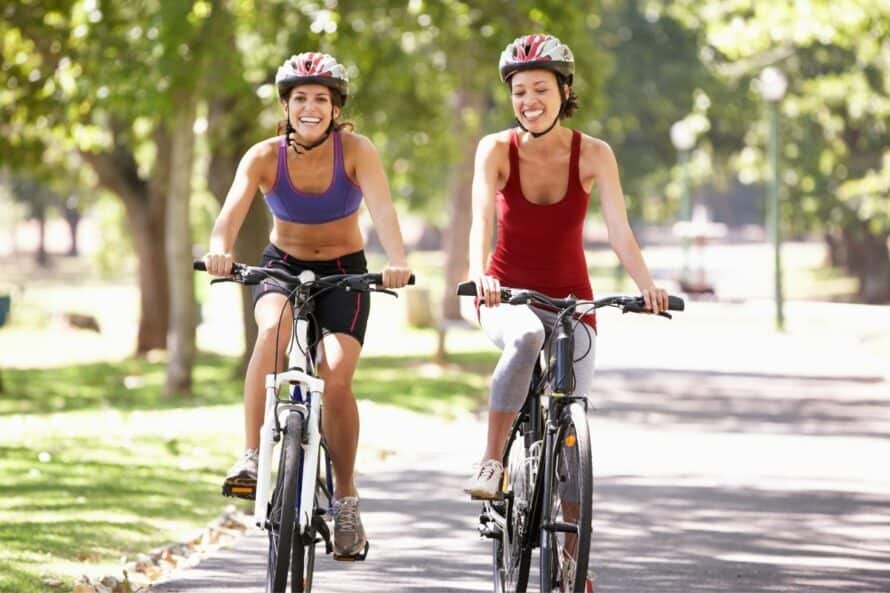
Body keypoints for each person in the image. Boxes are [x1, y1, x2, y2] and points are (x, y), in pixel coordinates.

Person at [464, 34, 668, 586]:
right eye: (519, 91)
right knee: (527, 335)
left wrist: (646, 286)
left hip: (574, 302)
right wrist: (481, 273)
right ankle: (493, 461)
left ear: (565, 91)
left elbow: (619, 231)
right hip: (506, 296)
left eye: (540, 89)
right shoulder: (496, 148)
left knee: (571, 435)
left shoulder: (595, 154)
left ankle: (573, 561)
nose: (529, 100)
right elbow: (481, 218)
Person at [202, 51, 412, 559]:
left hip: (345, 271)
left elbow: (382, 209)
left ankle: (344, 498)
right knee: (272, 331)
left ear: (336, 108)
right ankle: (253, 457)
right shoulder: (262, 156)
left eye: (321, 98)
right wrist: (219, 251)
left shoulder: (357, 151)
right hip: (281, 267)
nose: (310, 107)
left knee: (335, 373)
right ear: (287, 106)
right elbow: (228, 217)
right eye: (300, 98)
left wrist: (398, 260)